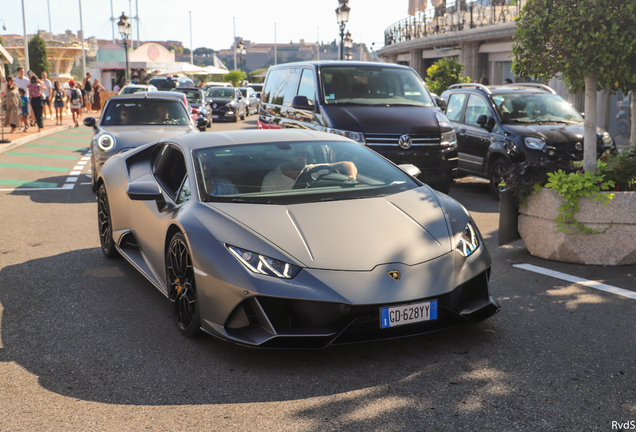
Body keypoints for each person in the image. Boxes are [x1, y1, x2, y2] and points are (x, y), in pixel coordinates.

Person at [261, 147, 357, 192]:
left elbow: (347, 164)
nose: (302, 157)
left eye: (304, 154)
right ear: (287, 157)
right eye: (297, 155)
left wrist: (351, 177)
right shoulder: (271, 179)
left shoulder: (312, 169)